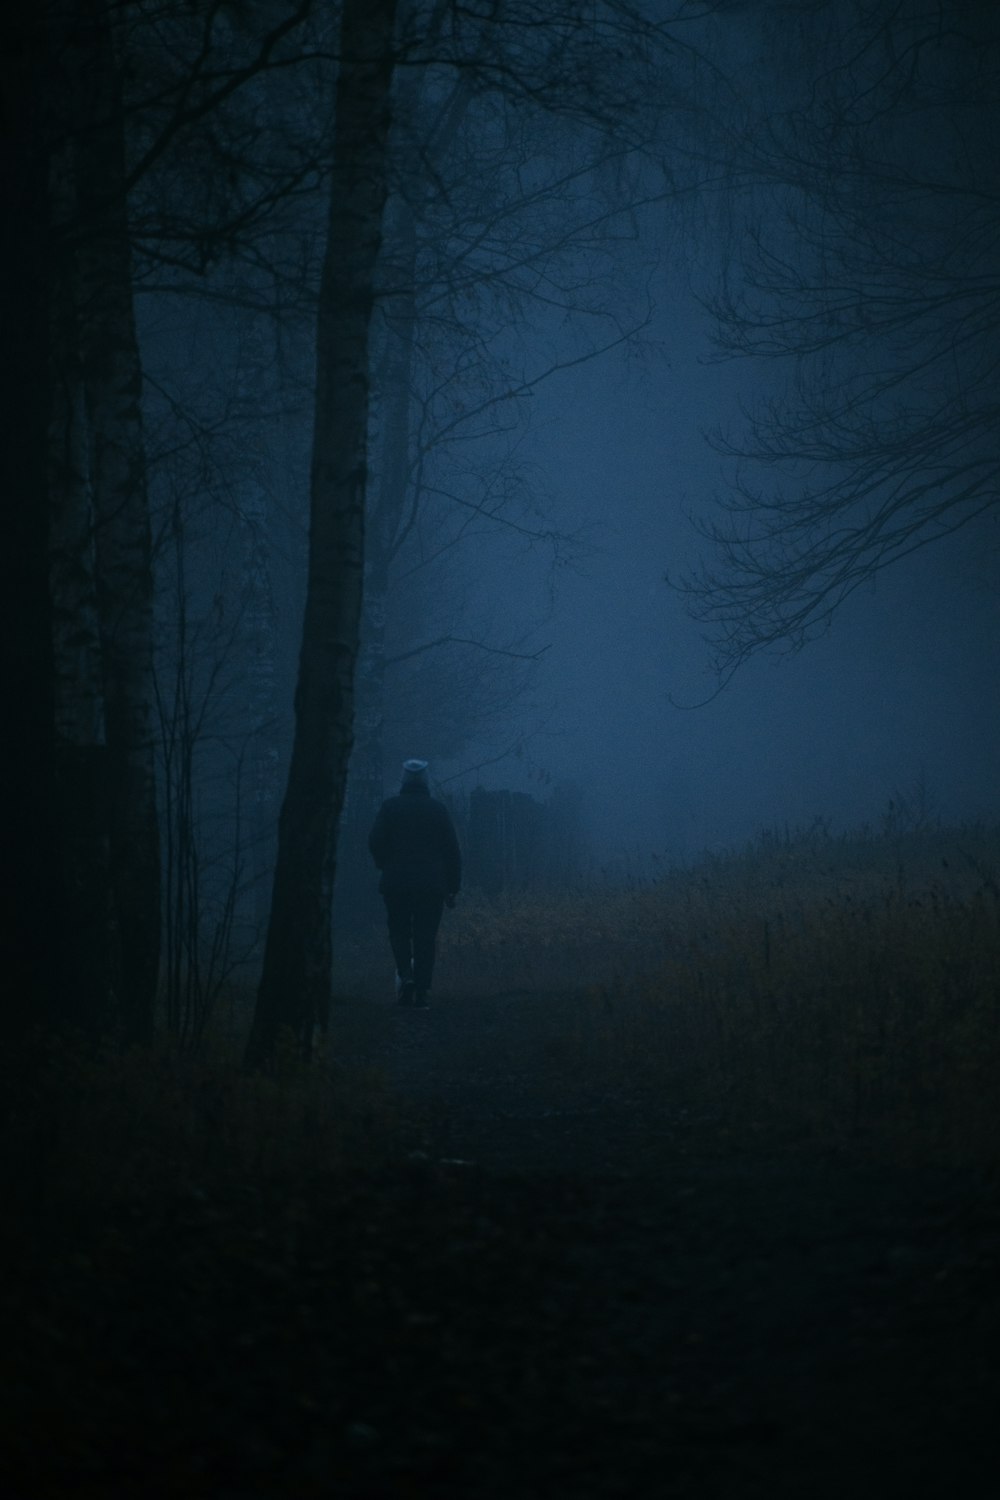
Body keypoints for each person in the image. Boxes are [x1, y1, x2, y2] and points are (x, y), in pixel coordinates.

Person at [368, 759, 461, 1008]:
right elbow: (452, 851)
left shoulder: (390, 808)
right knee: (425, 936)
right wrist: (453, 887)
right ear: (426, 782)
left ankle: (405, 976)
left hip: (396, 882)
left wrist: (384, 864)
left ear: (403, 781)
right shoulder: (438, 810)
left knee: (399, 931)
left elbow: (375, 841)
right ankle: (422, 990)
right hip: (431, 885)